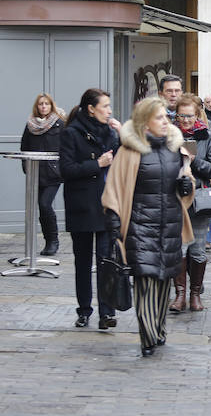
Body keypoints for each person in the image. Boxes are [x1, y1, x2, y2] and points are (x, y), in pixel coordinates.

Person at [101, 97, 195, 356]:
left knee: (165, 278)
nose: (166, 122)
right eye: (159, 118)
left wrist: (186, 186)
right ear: (145, 123)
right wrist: (113, 218)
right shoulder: (130, 151)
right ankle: (148, 337)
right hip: (140, 224)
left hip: (170, 224)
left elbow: (185, 182)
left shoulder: (176, 148)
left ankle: (159, 329)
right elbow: (115, 187)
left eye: (166, 117)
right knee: (146, 280)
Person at [60, 88, 121, 330]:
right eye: (105, 106)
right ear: (91, 109)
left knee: (106, 261)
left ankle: (107, 312)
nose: (109, 110)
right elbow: (66, 170)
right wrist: (97, 164)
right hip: (82, 205)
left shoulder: (110, 131)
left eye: (109, 106)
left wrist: (121, 133)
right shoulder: (71, 133)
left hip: (106, 203)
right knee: (83, 261)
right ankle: (84, 310)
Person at [169, 94, 211, 313]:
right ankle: (180, 295)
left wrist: (194, 161)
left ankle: (195, 294)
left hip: (200, 199)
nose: (185, 120)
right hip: (174, 198)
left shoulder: (209, 136)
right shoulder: (169, 135)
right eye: (181, 115)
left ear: (198, 114)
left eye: (189, 115)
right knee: (179, 248)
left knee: (198, 248)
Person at [20, 93, 66, 256]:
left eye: (46, 104)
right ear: (37, 106)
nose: (44, 106)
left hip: (53, 174)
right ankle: (46, 242)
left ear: (51, 105)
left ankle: (53, 241)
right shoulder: (30, 124)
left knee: (45, 204)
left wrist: (61, 167)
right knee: (40, 206)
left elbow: (67, 147)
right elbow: (24, 146)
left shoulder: (59, 124)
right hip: (36, 173)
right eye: (41, 104)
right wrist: (26, 167)